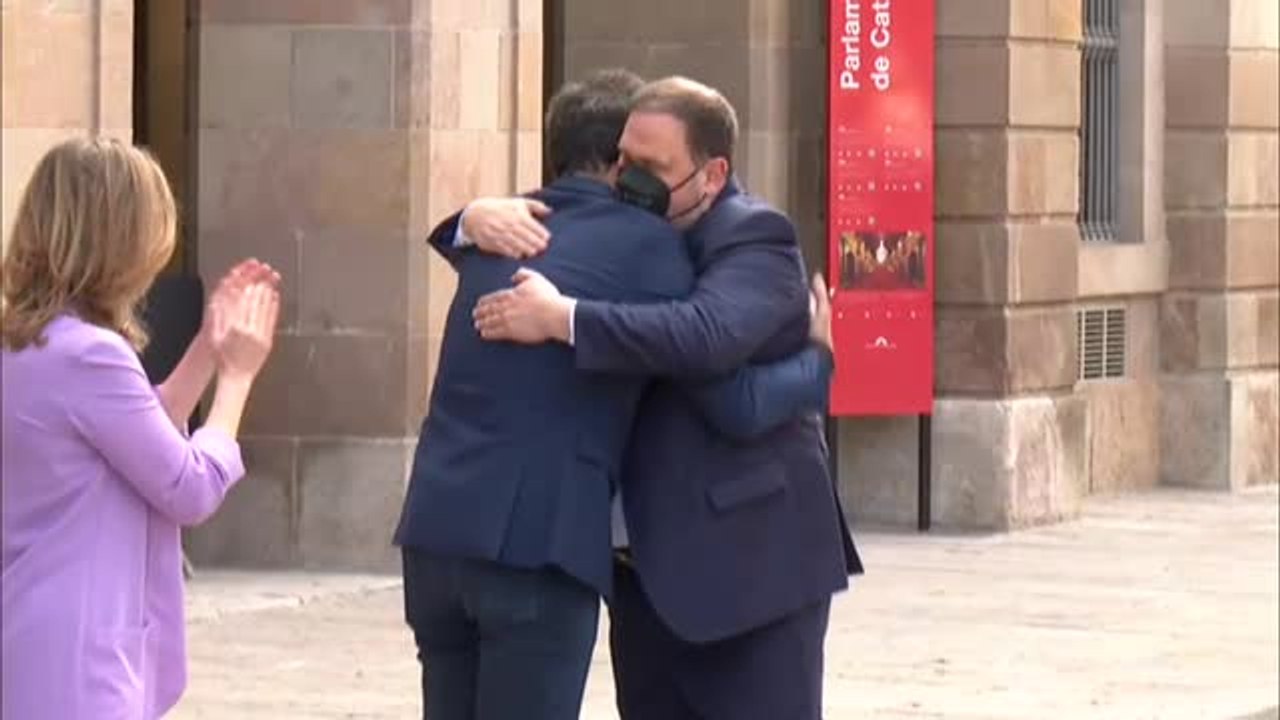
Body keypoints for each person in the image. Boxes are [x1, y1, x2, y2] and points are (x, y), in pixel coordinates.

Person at [396, 70, 834, 720]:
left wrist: (559, 312)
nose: (632, 181)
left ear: (712, 173)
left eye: (653, 167)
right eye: (625, 161)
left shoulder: (749, 235)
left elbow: (714, 355)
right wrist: (468, 219)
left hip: (745, 566)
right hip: (613, 566)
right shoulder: (565, 234)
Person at [1, 137, 281, 719]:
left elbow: (129, 432)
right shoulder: (92, 355)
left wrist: (207, 347)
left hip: (28, 640)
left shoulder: (30, 343)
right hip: (80, 661)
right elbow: (189, 487)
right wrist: (237, 378)